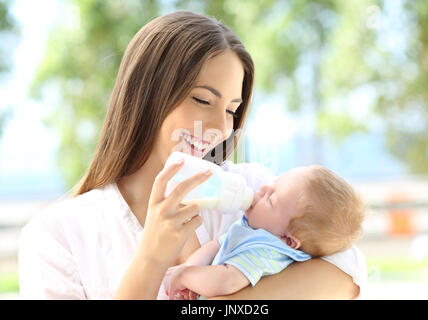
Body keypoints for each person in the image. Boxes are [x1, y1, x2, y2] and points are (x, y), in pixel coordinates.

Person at [18, 10, 367, 300]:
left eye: (232, 110)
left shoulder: (258, 195)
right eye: (202, 100)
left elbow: (345, 274)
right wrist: (153, 255)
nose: (219, 128)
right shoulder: (57, 235)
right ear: (147, 94)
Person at [168, 165, 365, 300]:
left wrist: (186, 276)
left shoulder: (266, 251)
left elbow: (226, 281)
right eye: (273, 184)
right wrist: (188, 269)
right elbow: (216, 246)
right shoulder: (252, 229)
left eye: (271, 199)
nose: (262, 189)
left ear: (287, 240)